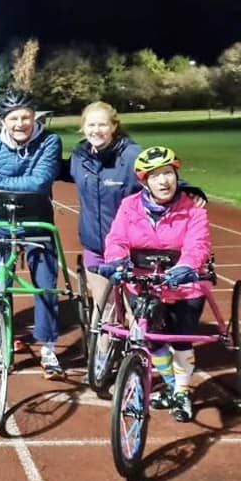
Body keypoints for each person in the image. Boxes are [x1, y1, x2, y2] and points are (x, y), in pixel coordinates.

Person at [66, 101, 206, 327]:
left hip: (132, 250)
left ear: (114, 126)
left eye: (102, 124)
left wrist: (189, 190)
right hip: (96, 246)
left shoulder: (131, 155)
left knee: (138, 313)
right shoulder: (78, 157)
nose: (96, 130)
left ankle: (140, 358)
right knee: (103, 311)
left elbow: (158, 176)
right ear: (83, 127)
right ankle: (102, 360)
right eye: (91, 125)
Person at [99, 146, 212, 422]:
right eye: (155, 176)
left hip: (184, 286)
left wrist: (186, 267)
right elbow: (117, 239)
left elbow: (198, 245)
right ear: (144, 182)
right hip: (144, 284)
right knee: (151, 339)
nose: (164, 181)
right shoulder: (129, 206)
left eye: (168, 173)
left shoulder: (194, 211)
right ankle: (173, 386)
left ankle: (183, 392)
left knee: (180, 338)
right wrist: (116, 261)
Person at [0, 89, 64, 379]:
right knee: (0, 287)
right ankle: (2, 345)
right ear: (3, 121)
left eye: (25, 117)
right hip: (0, 224)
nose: (20, 123)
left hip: (36, 224)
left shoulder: (49, 142)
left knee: (45, 285)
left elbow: (39, 183)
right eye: (13, 118)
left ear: (34, 118)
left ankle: (48, 349)